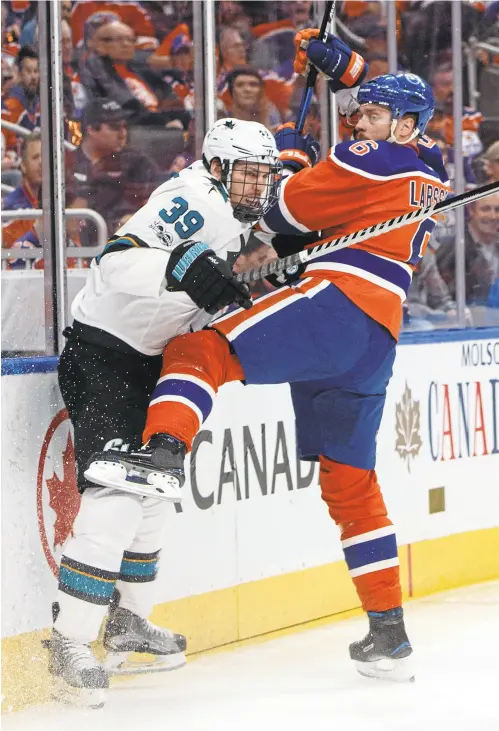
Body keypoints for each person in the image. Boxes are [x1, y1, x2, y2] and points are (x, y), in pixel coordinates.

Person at [86, 34, 452, 684]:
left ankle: (163, 452)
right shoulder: (427, 170)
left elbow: (280, 213)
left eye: (366, 113)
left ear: (396, 124)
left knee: (198, 347)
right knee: (349, 482)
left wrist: (291, 159)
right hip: (374, 342)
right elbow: (354, 182)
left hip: (336, 306)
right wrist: (351, 71)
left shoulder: (371, 156)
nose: (354, 122)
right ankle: (387, 633)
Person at [48, 118, 281, 709]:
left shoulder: (236, 208)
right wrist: (180, 264)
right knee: (117, 496)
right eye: (249, 174)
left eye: (265, 175)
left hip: (148, 362)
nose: (259, 185)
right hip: (102, 357)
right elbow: (115, 264)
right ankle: (68, 643)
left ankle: (127, 624)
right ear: (220, 168)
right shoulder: (191, 200)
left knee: (153, 494)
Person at [70, 99, 159, 241]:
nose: (123, 134)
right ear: (92, 129)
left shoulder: (138, 163)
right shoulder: (66, 166)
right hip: (78, 251)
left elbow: (152, 209)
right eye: (115, 127)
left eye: (125, 126)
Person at [1, 44, 40, 151]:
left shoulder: (41, 106)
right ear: (19, 74)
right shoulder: (10, 106)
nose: (33, 77)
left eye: (36, 71)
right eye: (28, 71)